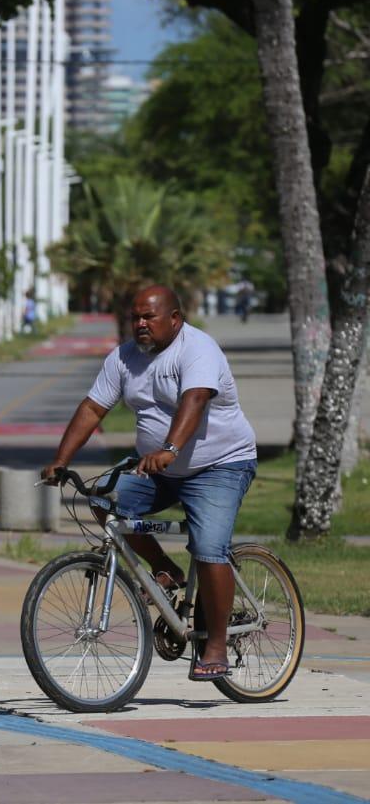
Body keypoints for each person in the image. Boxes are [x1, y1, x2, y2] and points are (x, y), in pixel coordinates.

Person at [42, 285, 257, 682]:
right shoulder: (123, 358)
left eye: (149, 317)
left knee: (209, 546)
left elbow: (194, 399)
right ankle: (165, 568)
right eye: (135, 317)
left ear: (174, 318)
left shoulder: (198, 349)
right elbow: (93, 408)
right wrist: (61, 461)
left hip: (220, 466)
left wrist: (171, 448)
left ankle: (216, 645)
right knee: (104, 500)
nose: (140, 324)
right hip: (157, 468)